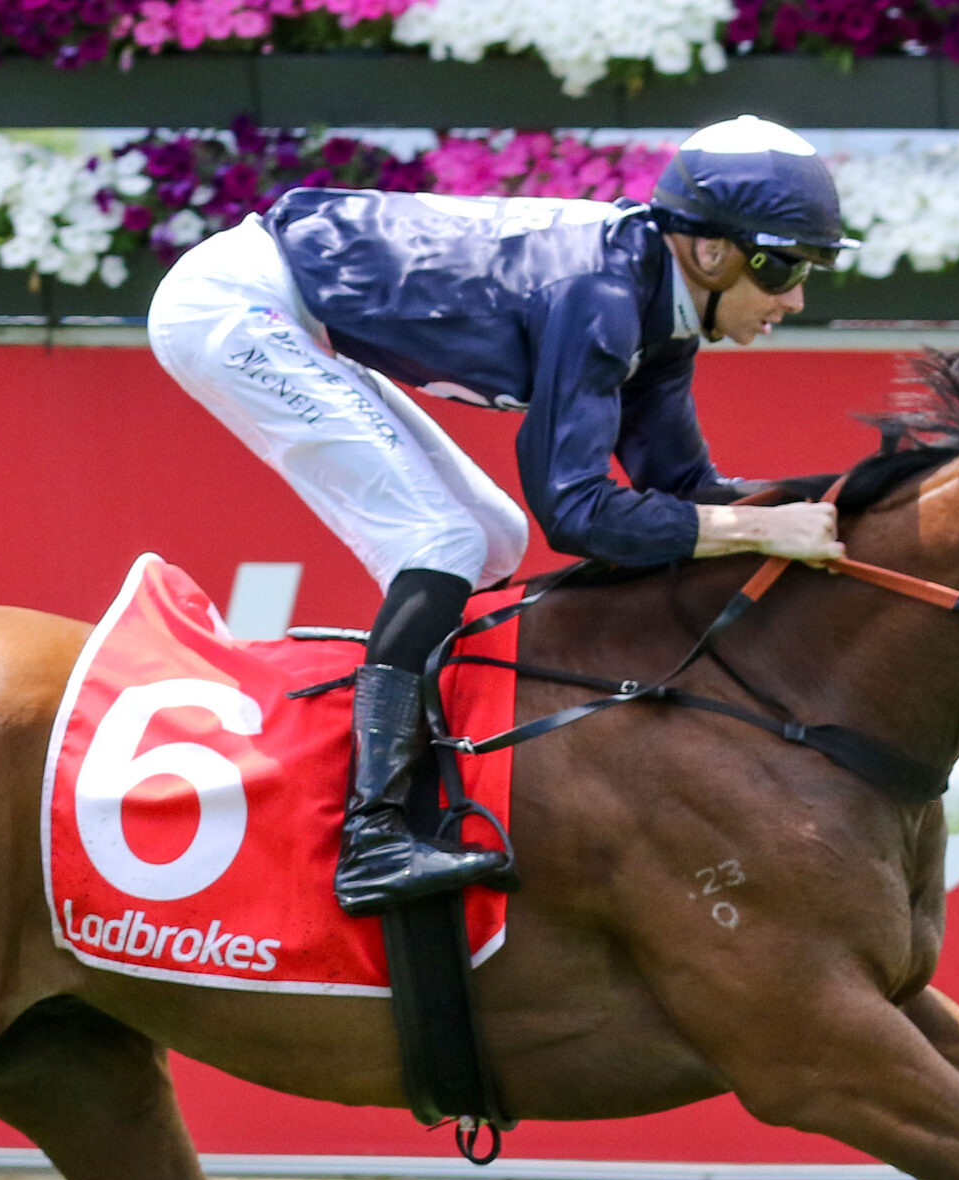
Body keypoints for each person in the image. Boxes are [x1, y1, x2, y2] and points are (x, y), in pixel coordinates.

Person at [147, 115, 853, 918]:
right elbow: (577, 513)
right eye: (782, 266)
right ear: (711, 252)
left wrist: (839, 504)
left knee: (491, 542)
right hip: (235, 306)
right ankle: (371, 834)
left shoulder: (660, 305)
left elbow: (683, 488)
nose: (795, 296)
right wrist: (760, 529)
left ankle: (421, 772)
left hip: (286, 305)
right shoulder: (603, 295)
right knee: (442, 539)